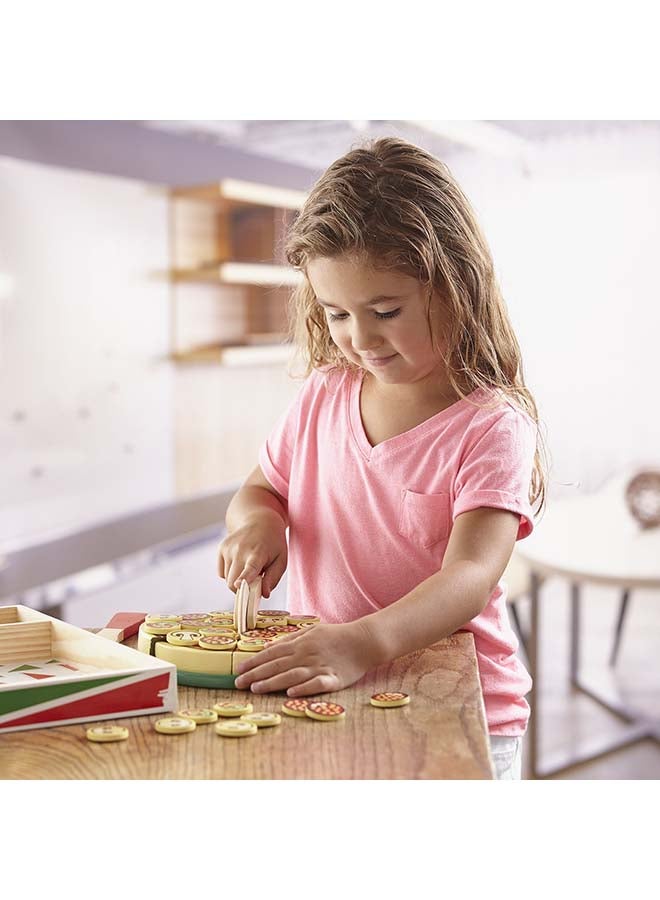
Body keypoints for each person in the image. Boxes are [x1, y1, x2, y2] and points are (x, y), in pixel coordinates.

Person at [218, 137, 547, 780]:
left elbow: (470, 575)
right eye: (337, 312)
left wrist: (362, 641)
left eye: (386, 311)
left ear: (456, 284)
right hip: (333, 688)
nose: (360, 338)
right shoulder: (323, 394)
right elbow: (260, 491)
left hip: (456, 706)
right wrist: (255, 522)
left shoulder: (491, 424)